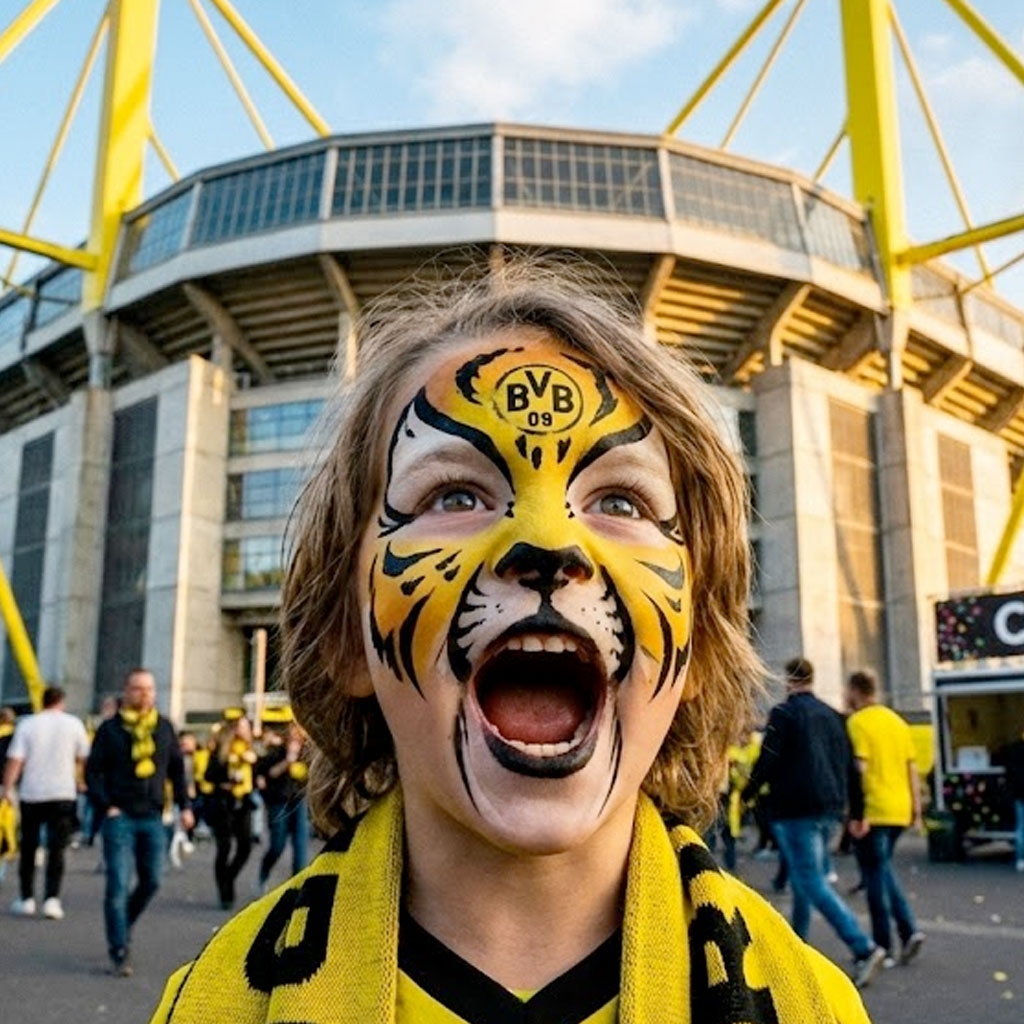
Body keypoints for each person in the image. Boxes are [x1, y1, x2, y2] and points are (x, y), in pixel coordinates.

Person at [153, 262, 872, 1022]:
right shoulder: (213, 1005)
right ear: (345, 639)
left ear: (695, 645)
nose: (548, 543)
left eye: (620, 499)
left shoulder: (814, 1006)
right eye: (454, 495)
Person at [743, 657, 885, 988]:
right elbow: (851, 768)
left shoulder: (783, 714)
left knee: (810, 881)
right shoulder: (835, 716)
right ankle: (797, 944)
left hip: (795, 808)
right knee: (805, 877)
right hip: (831, 807)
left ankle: (863, 947)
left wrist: (748, 792)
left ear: (787, 680)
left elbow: (769, 760)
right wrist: (858, 811)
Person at [86, 668, 193, 976]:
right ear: (126, 691)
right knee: (117, 885)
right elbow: (93, 772)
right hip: (120, 816)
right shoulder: (110, 729)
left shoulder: (163, 728)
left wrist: (185, 806)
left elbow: (176, 771)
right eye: (137, 688)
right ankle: (119, 949)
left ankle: (123, 922)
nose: (144, 694)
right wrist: (106, 806)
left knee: (153, 880)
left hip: (153, 816)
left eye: (149, 688)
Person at [844, 669, 925, 968]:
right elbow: (911, 770)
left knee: (874, 879)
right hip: (899, 809)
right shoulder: (897, 722)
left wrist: (855, 812)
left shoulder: (857, 723)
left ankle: (884, 945)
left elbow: (860, 769)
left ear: (855, 690)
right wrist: (917, 810)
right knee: (883, 869)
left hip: (873, 811)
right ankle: (909, 932)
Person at [2, 686, 89, 920]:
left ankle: (26, 897)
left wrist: (7, 788)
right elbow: (83, 757)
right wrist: (81, 780)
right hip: (62, 792)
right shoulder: (74, 724)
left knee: (29, 847)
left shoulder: (27, 724)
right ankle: (52, 899)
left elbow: (16, 760)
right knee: (57, 848)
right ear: (62, 701)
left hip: (33, 792)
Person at [205, 715, 256, 909]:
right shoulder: (221, 749)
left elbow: (260, 772)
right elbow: (209, 774)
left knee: (245, 846)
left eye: (246, 727)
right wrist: (225, 780)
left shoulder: (251, 750)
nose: (244, 730)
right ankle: (224, 892)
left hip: (243, 801)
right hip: (223, 802)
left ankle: (229, 876)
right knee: (224, 847)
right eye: (241, 727)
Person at [254, 722, 309, 892]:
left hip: (299, 800)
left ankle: (297, 887)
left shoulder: (307, 755)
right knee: (277, 844)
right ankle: (264, 872)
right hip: (279, 801)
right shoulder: (277, 753)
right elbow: (268, 773)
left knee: (300, 845)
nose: (295, 741)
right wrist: (288, 761)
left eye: (298, 737)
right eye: (292, 737)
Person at [1005, 726, 1024, 873]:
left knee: (1021, 828)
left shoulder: (1013, 750)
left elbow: (1009, 773)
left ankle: (1020, 859)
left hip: (1019, 794)